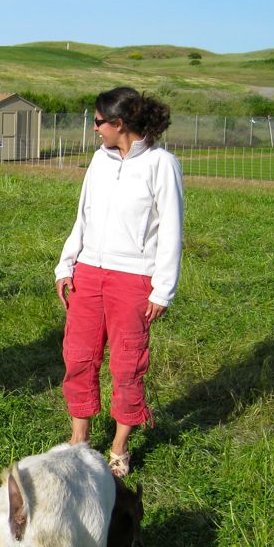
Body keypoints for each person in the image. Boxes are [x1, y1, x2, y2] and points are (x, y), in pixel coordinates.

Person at [54, 86, 183, 477]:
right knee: (78, 357)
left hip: (133, 277)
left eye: (98, 121)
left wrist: (163, 288)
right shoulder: (99, 161)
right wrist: (66, 264)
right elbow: (83, 215)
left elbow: (173, 229)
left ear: (119, 124)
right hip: (89, 272)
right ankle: (80, 440)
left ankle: (119, 447)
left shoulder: (162, 164)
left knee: (127, 364)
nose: (94, 129)